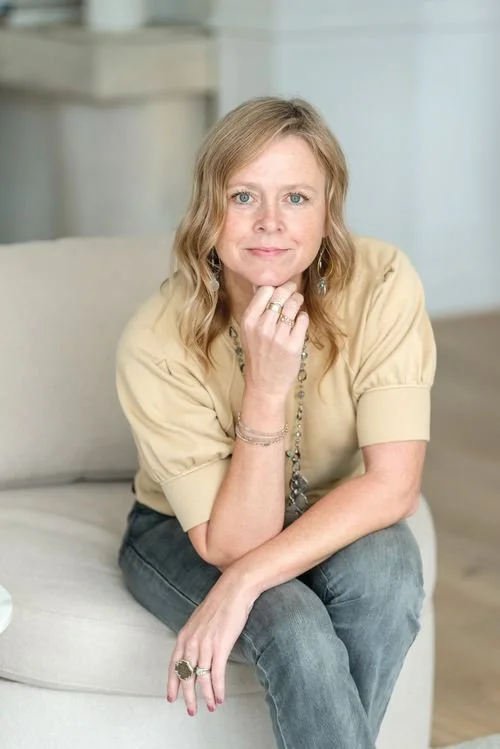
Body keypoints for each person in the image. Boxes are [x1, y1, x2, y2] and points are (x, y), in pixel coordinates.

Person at [115, 96, 436, 749]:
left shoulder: (381, 282)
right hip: (185, 531)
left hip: (333, 504)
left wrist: (244, 582)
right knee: (292, 627)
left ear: (328, 211)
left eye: (296, 197)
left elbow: (394, 485)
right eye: (243, 197)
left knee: (389, 573)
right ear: (208, 210)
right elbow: (232, 544)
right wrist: (264, 388)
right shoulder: (155, 341)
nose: (270, 222)